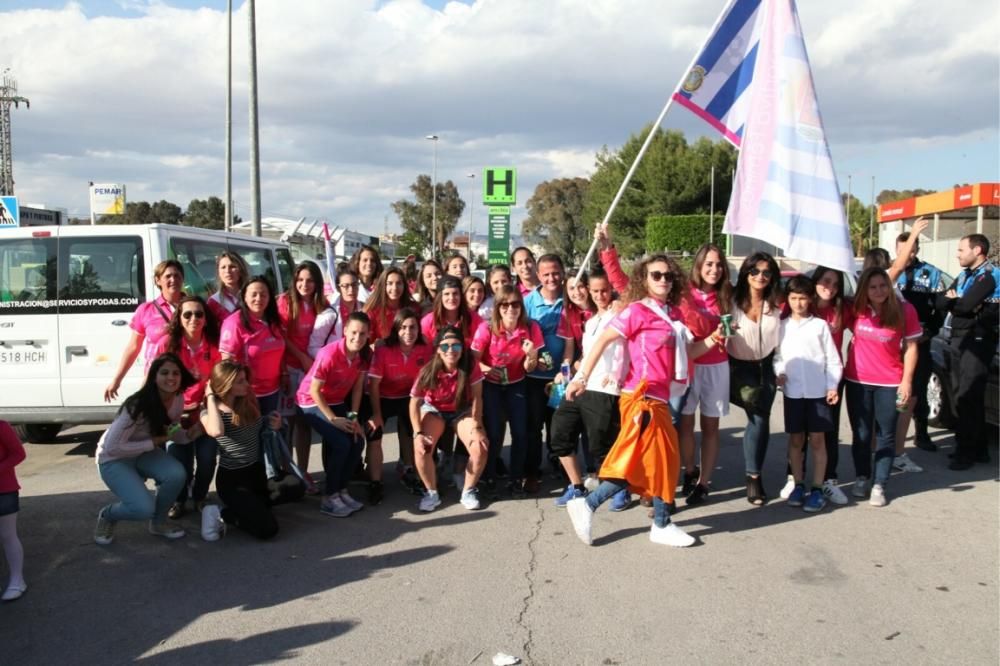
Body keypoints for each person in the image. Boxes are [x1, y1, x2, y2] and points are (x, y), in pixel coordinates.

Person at [564, 255, 723, 548]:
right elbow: (601, 341)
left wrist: (714, 339)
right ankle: (608, 509)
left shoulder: (673, 315)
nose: (663, 280)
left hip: (659, 398)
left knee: (659, 462)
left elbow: (690, 353)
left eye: (668, 276)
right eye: (656, 275)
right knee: (646, 463)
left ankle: (654, 521)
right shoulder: (637, 311)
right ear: (644, 279)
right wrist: (581, 377)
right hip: (641, 398)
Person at [94, 353, 196, 544]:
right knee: (143, 508)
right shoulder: (137, 404)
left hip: (143, 453)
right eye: (164, 373)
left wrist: (194, 432)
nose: (171, 378)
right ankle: (108, 515)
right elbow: (113, 446)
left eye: (176, 373)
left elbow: (174, 434)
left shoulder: (178, 399)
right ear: (154, 377)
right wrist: (156, 441)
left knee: (176, 474)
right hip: (113, 459)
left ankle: (158, 523)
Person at [550, 267, 626, 508]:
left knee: (601, 445)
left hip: (606, 389)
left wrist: (617, 374)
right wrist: (575, 372)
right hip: (582, 385)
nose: (600, 295)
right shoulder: (591, 321)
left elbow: (627, 349)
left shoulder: (622, 314)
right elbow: (588, 352)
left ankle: (618, 488)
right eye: (596, 291)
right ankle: (577, 486)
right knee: (559, 434)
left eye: (605, 290)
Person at [845, 268, 920, 506]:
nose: (879, 291)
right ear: (865, 290)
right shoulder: (855, 309)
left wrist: (906, 381)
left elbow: (911, 348)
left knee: (886, 435)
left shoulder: (904, 309)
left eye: (883, 285)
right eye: (873, 287)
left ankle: (879, 484)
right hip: (857, 381)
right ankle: (862, 477)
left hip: (890, 382)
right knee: (862, 434)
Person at [779, 266, 854, 506]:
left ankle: (819, 487)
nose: (799, 303)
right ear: (788, 299)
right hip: (793, 393)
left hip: (817, 393)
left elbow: (832, 359)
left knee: (819, 440)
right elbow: (776, 356)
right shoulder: (782, 326)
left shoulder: (820, 326)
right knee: (796, 440)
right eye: (794, 298)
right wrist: (778, 372)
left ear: (810, 298)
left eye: (803, 298)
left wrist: (832, 386)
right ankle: (798, 484)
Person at [470, 285, 544, 496]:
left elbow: (530, 368)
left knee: (520, 432)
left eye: (515, 304)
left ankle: (516, 478)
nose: (510, 309)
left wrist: (531, 355)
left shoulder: (530, 328)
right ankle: (489, 476)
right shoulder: (487, 328)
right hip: (491, 386)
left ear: (521, 306)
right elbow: (473, 360)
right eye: (505, 304)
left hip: (517, 384)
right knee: (493, 432)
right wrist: (485, 369)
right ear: (498, 307)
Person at [297, 312, 371, 518]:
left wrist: (353, 418)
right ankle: (329, 497)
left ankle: (341, 490)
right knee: (341, 443)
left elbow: (357, 390)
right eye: (354, 332)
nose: (358, 338)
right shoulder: (328, 354)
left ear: (368, 335)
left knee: (357, 441)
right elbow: (314, 391)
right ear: (345, 331)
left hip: (336, 401)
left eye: (363, 334)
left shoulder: (363, 356)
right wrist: (334, 420)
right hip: (310, 402)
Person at [154, 296, 222, 519]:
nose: (194, 318)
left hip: (203, 412)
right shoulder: (168, 344)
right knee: (178, 463)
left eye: (199, 314)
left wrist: (210, 406)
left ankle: (200, 497)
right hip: (175, 414)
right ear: (179, 318)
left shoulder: (214, 343)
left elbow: (220, 380)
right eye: (188, 314)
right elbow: (155, 378)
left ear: (206, 318)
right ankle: (179, 500)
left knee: (207, 459)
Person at [409, 326, 489, 512]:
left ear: (463, 348)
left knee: (480, 445)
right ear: (438, 349)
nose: (451, 350)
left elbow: (477, 397)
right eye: (445, 346)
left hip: (461, 410)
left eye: (456, 346)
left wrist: (477, 427)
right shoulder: (428, 370)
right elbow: (414, 403)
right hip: (435, 410)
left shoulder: (470, 366)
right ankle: (431, 492)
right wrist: (417, 433)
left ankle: (468, 490)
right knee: (421, 448)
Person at [937, 233, 999, 470]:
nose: (958, 254)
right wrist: (956, 301)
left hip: (978, 339)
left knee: (968, 395)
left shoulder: (989, 275)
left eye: (962, 250)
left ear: (978, 250)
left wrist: (958, 302)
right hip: (960, 338)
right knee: (962, 394)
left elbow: (963, 306)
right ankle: (979, 449)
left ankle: (966, 452)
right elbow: (943, 302)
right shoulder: (965, 275)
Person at [200, 360, 280, 540]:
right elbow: (215, 431)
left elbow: (257, 429)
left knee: (293, 489)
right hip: (232, 480)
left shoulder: (247, 401)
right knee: (268, 530)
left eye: (245, 379)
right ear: (225, 385)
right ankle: (220, 513)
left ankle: (243, 510)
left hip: (256, 472)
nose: (247, 384)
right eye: (240, 381)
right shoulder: (209, 412)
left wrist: (273, 424)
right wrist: (211, 397)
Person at [678, 244, 732, 506]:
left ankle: (703, 483)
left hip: (717, 367)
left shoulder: (727, 295)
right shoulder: (683, 292)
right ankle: (690, 471)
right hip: (689, 365)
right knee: (685, 424)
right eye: (709, 264)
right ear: (699, 265)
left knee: (711, 427)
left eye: (719, 264)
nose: (714, 269)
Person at [726, 252, 782, 505]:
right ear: (746, 273)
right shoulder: (730, 301)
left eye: (766, 272)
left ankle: (754, 476)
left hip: (767, 367)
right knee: (756, 418)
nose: (761, 276)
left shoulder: (779, 304)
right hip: (737, 367)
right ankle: (752, 477)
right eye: (755, 271)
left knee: (760, 419)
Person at [890, 218, 945, 455]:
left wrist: (929, 332)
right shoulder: (889, 275)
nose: (908, 255)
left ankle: (921, 433)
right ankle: (890, 434)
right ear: (896, 251)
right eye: (903, 251)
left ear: (917, 250)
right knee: (892, 390)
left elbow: (941, 307)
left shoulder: (931, 273)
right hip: (893, 343)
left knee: (918, 390)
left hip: (920, 341)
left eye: (911, 250)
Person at [367, 308, 433, 501]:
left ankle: (408, 468)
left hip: (409, 398)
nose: (408, 332)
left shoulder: (425, 349)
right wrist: (376, 414)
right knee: (374, 433)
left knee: (412, 430)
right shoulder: (383, 350)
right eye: (403, 327)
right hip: (383, 397)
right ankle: (375, 482)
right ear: (396, 329)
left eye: (412, 327)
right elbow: (373, 387)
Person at [523, 254, 573, 493]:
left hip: (562, 378)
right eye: (546, 274)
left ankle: (562, 464)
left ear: (562, 272)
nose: (552, 278)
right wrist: (534, 358)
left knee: (560, 426)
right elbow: (521, 336)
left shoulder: (570, 298)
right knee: (533, 426)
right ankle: (531, 471)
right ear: (538, 276)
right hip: (534, 379)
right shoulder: (528, 302)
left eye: (555, 272)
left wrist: (565, 370)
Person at [104, 260, 185, 401]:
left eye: (177, 276)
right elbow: (133, 347)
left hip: (187, 378)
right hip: (156, 379)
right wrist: (117, 380)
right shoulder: (146, 310)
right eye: (168, 276)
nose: (173, 280)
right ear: (158, 280)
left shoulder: (194, 308)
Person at [277, 261, 326, 487]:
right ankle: (286, 471)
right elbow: (282, 337)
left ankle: (303, 471)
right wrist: (302, 357)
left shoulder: (321, 304)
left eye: (309, 280)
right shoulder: (285, 302)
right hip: (290, 368)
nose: (304, 284)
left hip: (310, 372)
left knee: (304, 423)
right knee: (287, 424)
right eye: (300, 280)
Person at [219, 277, 287, 416]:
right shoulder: (234, 323)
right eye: (254, 294)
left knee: (269, 433)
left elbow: (281, 350)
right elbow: (226, 364)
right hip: (246, 394)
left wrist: (284, 373)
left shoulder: (274, 320)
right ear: (244, 296)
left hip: (273, 390)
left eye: (263, 294)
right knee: (251, 436)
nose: (259, 299)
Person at [0, 421, 27, 601]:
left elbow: (18, 454)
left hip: (4, 489)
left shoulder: (1, 427)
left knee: (7, 535)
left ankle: (17, 580)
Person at [421, 275, 483, 348]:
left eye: (455, 293)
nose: (451, 298)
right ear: (440, 297)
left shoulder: (474, 319)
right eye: (447, 294)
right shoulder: (428, 321)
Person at [364, 266, 417, 344]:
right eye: (390, 284)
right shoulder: (372, 312)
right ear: (382, 286)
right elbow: (366, 343)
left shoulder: (414, 308)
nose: (394, 288)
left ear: (404, 285)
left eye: (399, 283)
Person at [207, 251, 249, 324]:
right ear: (218, 272)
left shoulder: (252, 296)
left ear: (241, 270)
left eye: (232, 266)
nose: (227, 271)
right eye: (223, 267)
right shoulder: (213, 302)